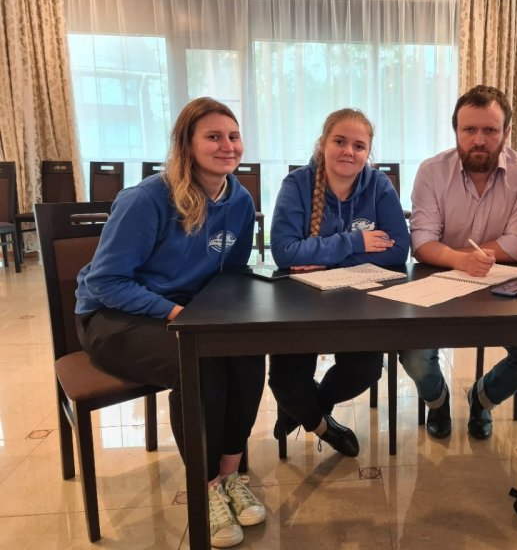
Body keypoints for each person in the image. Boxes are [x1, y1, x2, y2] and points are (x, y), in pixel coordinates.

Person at [75, 97, 266, 548]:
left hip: (187, 311)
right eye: (213, 136)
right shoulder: (147, 199)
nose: (227, 145)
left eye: (233, 136)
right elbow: (106, 281)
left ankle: (230, 473)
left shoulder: (239, 200)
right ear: (187, 143)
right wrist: (177, 313)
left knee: (247, 349)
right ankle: (206, 488)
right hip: (114, 316)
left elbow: (231, 273)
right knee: (198, 362)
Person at [404, 85, 517, 440]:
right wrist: (462, 261)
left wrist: (458, 256)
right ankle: (438, 401)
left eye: (490, 130)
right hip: (437, 283)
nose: (479, 140)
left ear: (507, 133)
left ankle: (482, 398)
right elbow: (421, 242)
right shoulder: (431, 171)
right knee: (414, 355)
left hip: (501, 288)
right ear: (456, 131)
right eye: (469, 129)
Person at [269, 108, 410, 457]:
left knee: (366, 369)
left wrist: (324, 255)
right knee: (286, 380)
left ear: (368, 152)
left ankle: (309, 408)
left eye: (359, 146)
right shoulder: (296, 185)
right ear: (323, 143)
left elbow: (398, 251)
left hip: (359, 301)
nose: (349, 151)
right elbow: (285, 252)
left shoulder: (378, 185)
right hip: (300, 302)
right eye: (340, 142)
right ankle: (322, 425)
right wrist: (356, 242)